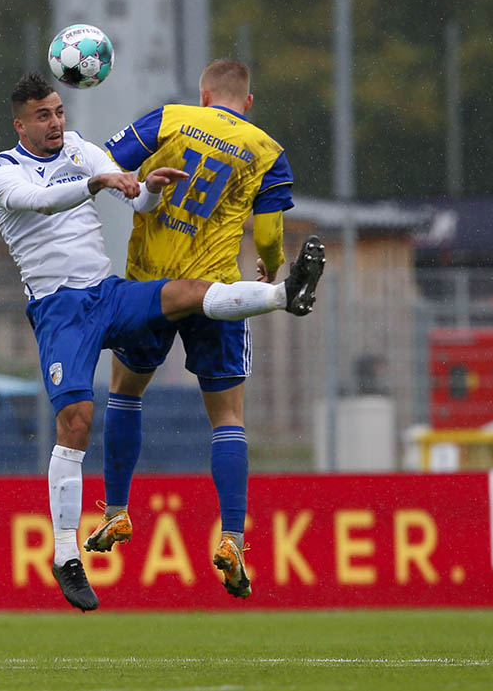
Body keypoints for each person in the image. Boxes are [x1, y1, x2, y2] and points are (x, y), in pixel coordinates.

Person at [0, 72, 323, 612]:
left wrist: (147, 190)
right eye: (43, 116)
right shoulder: (3, 171)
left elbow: (135, 198)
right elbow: (44, 203)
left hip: (110, 294)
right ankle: (66, 555)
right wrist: (101, 185)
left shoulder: (81, 148)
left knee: (188, 294)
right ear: (20, 123)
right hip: (59, 310)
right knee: (76, 418)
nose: (56, 124)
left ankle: (287, 295)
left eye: (59, 112)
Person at [83, 59, 321, 601]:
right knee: (228, 417)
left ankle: (117, 511)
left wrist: (135, 185)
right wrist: (272, 265)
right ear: (249, 102)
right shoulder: (267, 151)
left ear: (205, 93)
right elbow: (267, 231)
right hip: (216, 291)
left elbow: (105, 164)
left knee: (125, 392)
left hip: (151, 284)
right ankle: (233, 537)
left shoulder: (168, 120)